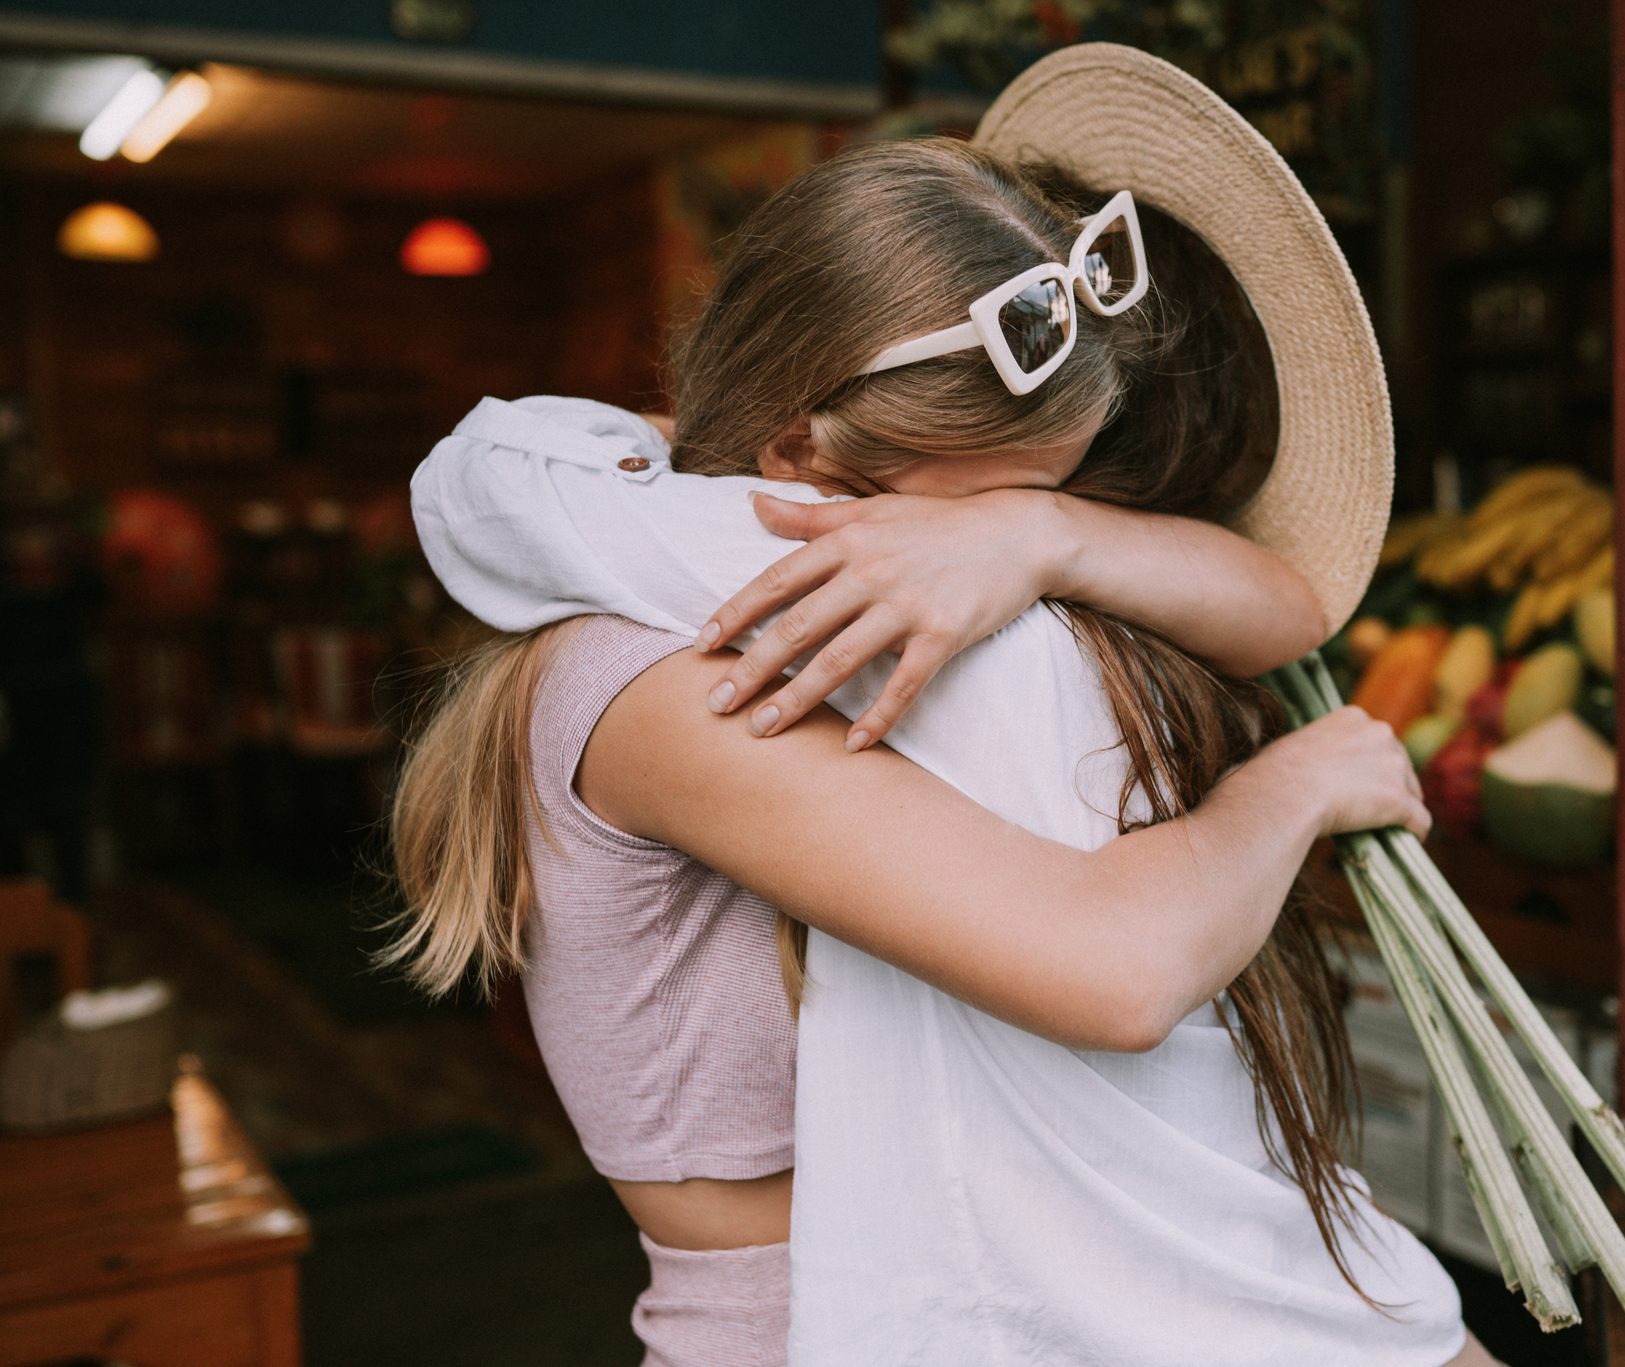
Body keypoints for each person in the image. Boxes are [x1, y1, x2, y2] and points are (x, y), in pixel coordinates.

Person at [394, 48, 1503, 1367]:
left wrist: (1041, 538)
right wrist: (1298, 784)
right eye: (969, 514)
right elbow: (1119, 968)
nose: (985, 573)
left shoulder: (898, 557)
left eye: (1059, 493)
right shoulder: (671, 679)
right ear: (802, 455)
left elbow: (1284, 604)